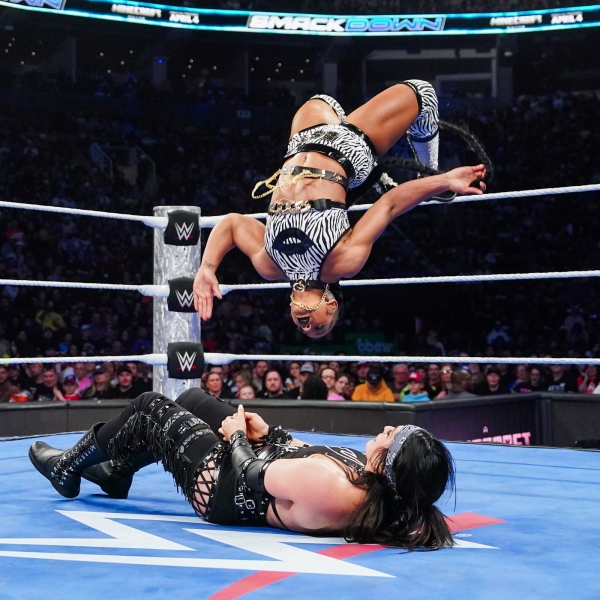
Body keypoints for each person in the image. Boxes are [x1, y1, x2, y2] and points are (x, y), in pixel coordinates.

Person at [193, 81, 488, 338]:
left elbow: (232, 224)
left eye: (305, 330)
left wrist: (207, 268)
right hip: (345, 152)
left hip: (301, 142)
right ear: (331, 304)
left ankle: (369, 178)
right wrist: (441, 181)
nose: (307, 327)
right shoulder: (342, 264)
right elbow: (389, 205)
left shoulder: (270, 268)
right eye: (319, 327)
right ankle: (421, 168)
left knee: (319, 100)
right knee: (422, 92)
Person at [29, 388, 455, 549]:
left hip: (223, 485)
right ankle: (117, 472)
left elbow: (253, 474)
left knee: (149, 407)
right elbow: (303, 452)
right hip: (257, 464)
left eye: (392, 436)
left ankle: (67, 467)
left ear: (390, 462)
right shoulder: (382, 485)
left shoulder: (334, 487)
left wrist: (237, 436)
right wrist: (270, 433)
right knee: (193, 400)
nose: (386, 429)